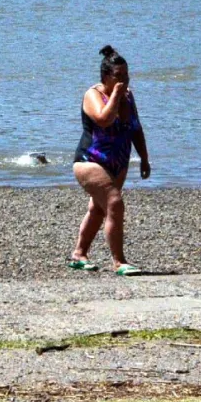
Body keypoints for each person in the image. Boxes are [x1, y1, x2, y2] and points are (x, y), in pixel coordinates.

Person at [70, 45, 150, 277]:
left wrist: (144, 158)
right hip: (91, 160)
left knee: (98, 208)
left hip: (118, 162)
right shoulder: (93, 95)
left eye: (126, 74)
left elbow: (135, 128)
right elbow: (103, 119)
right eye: (118, 75)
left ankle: (79, 254)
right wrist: (115, 95)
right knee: (114, 202)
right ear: (105, 76)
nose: (124, 79)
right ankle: (119, 262)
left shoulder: (129, 96)